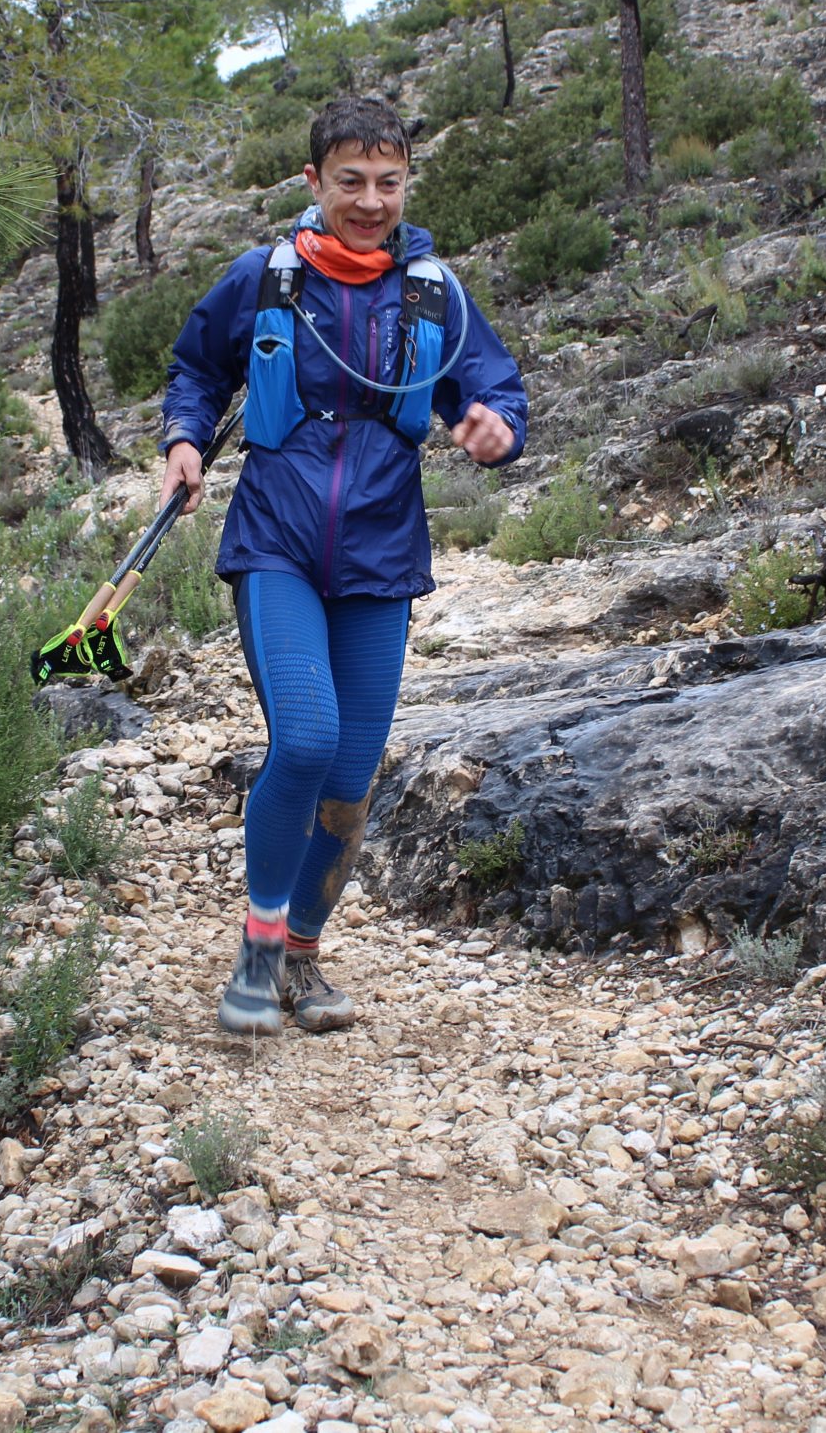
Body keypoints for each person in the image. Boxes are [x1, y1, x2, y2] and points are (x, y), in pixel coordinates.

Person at [158, 97, 529, 1035]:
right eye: (351, 181)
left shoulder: (433, 291)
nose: (370, 201)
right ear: (313, 180)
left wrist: (496, 426)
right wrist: (185, 439)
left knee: (352, 773)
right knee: (307, 738)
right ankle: (257, 953)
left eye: (388, 182)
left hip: (381, 551)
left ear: (407, 182)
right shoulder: (263, 278)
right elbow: (197, 368)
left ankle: (302, 954)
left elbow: (492, 385)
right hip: (276, 541)